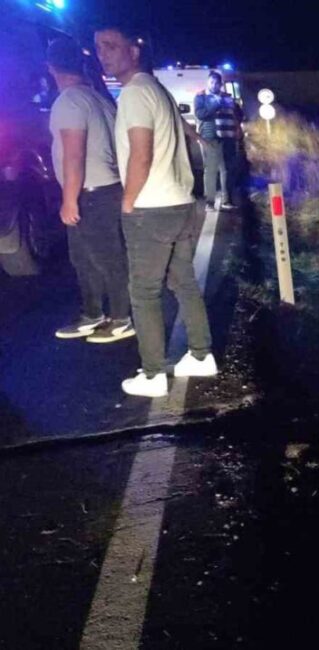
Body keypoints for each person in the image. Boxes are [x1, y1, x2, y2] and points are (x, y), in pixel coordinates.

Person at [94, 23, 217, 398]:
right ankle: (200, 355)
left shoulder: (133, 94)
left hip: (152, 207)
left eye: (111, 46)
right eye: (98, 47)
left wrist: (128, 201)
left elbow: (141, 153)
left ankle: (152, 376)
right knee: (183, 282)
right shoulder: (156, 88)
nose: (103, 53)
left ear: (134, 51)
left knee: (144, 292)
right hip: (179, 201)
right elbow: (187, 133)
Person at [46, 36, 134, 344]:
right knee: (83, 258)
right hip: (103, 191)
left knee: (108, 258)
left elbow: (74, 153)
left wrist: (69, 199)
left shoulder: (69, 101)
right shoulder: (98, 97)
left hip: (91, 194)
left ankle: (122, 319)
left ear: (51, 67)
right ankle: (92, 313)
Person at [193, 71, 242, 210]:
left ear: (221, 84)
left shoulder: (227, 97)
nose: (214, 85)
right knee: (211, 170)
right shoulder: (201, 97)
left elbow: (235, 114)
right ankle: (209, 202)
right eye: (211, 82)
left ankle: (227, 200)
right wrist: (217, 103)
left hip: (228, 136)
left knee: (226, 169)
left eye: (217, 83)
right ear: (208, 83)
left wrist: (238, 128)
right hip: (211, 137)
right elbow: (201, 114)